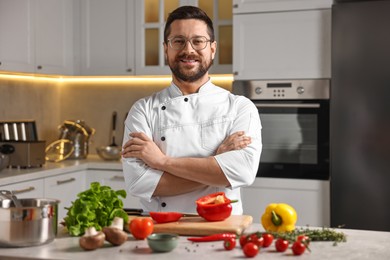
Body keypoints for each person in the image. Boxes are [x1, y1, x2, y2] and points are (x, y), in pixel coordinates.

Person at [121, 5, 262, 214]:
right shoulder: (143, 110)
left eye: (198, 41)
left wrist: (162, 162)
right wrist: (216, 162)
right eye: (178, 41)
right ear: (166, 48)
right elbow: (139, 183)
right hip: (161, 233)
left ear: (212, 48)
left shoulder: (240, 107)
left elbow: (242, 172)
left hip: (222, 233)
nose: (188, 50)